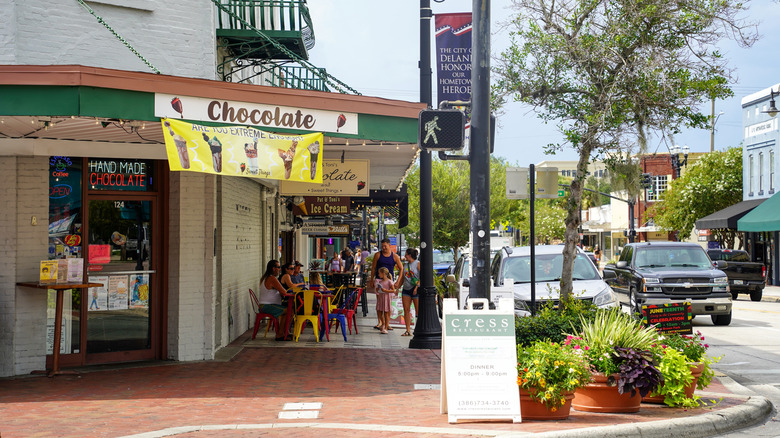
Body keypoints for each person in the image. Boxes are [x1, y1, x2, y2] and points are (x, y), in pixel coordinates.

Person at [370, 238, 404, 330]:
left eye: (385, 246)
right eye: (382, 246)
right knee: (380, 303)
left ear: (389, 245)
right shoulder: (378, 255)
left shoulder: (394, 256)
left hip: (389, 282)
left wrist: (398, 281)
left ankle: (387, 323)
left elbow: (401, 268)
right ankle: (381, 321)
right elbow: (373, 268)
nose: (384, 248)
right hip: (379, 281)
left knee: (388, 304)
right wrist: (372, 280)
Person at [258, 260, 291, 341]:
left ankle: (286, 332)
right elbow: (283, 291)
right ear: (273, 268)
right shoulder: (272, 278)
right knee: (288, 310)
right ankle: (279, 334)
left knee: (290, 310)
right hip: (266, 306)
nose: (280, 269)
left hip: (267, 305)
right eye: (278, 267)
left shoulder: (267, 277)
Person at [400, 248, 420, 337]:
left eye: (406, 254)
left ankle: (418, 329)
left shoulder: (418, 264)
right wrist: (397, 287)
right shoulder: (405, 265)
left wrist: (416, 287)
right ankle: (408, 330)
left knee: (418, 311)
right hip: (406, 288)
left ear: (410, 255)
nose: (405, 256)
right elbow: (403, 278)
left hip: (415, 289)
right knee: (406, 310)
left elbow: (422, 277)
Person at [374, 267, 397, 334]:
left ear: (383, 274)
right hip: (381, 297)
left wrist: (385, 290)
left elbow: (393, 290)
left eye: (379, 273)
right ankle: (383, 324)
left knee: (386, 313)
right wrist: (378, 289)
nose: (378, 275)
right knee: (380, 312)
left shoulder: (389, 281)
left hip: (386, 298)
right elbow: (377, 290)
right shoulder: (380, 282)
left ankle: (386, 327)